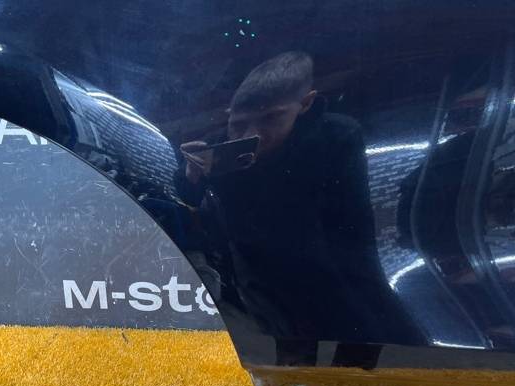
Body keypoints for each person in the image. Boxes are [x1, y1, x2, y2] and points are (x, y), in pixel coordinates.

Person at [175, 51, 418, 365]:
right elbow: (192, 207)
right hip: (260, 284)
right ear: (229, 114)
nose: (252, 135)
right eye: (239, 124)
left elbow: (350, 225)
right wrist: (191, 177)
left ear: (306, 104)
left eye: (270, 118)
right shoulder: (219, 149)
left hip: (335, 274)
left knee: (367, 360)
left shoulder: (336, 137)